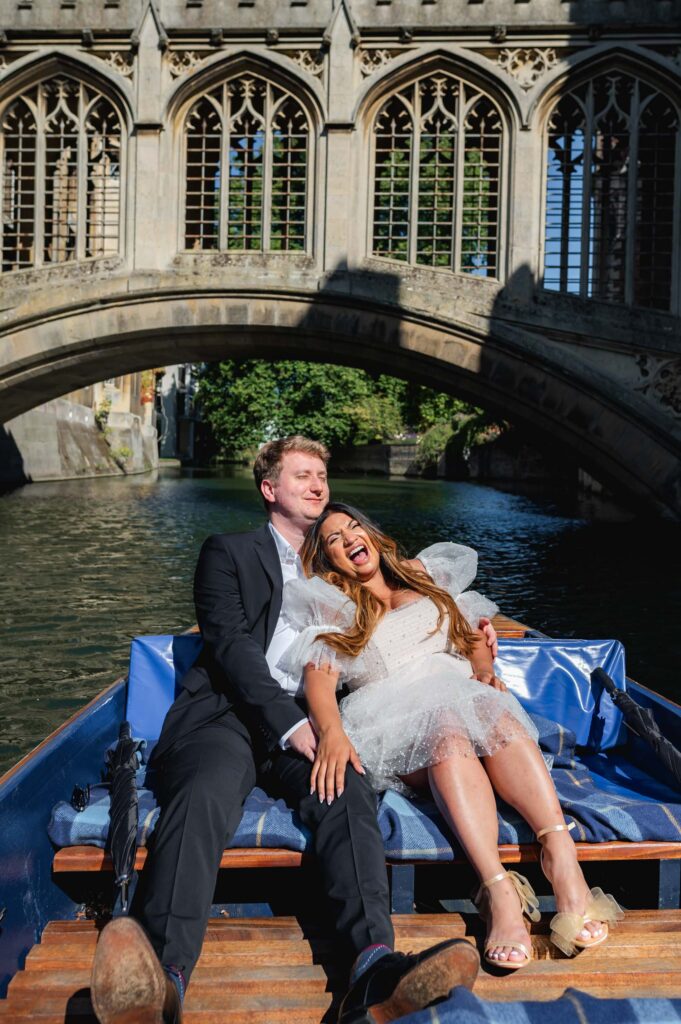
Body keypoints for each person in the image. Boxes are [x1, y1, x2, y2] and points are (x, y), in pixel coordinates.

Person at [91, 437, 499, 1024]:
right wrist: (289, 727)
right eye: (302, 475)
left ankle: (372, 971)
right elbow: (231, 646)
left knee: (347, 788)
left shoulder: (346, 562)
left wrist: (479, 652)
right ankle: (160, 978)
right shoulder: (227, 552)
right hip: (228, 715)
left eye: (321, 476)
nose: (317, 484)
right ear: (269, 490)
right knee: (203, 794)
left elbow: (411, 614)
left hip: (319, 714)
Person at [278, 501, 624, 972]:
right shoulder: (334, 607)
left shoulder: (425, 577)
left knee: (491, 708)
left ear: (374, 536)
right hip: (393, 714)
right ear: (330, 560)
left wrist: (483, 669)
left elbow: (473, 637)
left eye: (354, 527)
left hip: (464, 694)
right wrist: (331, 732)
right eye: (335, 540)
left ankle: (561, 858)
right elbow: (319, 681)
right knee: (444, 726)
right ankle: (498, 889)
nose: (349, 540)